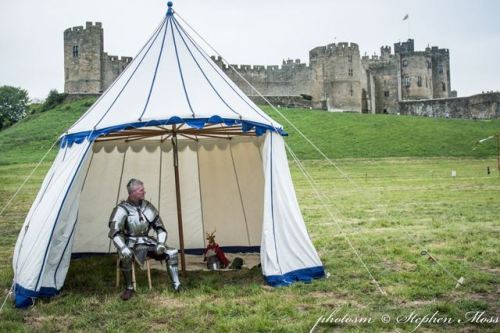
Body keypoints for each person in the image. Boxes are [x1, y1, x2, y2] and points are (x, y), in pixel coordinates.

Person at [108, 178, 181, 300]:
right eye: (141, 190)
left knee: (172, 252)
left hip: (147, 241)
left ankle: (177, 285)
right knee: (125, 256)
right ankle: (129, 288)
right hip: (130, 243)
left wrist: (161, 243)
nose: (144, 192)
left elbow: (160, 228)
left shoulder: (148, 206)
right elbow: (115, 233)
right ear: (133, 192)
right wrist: (123, 247)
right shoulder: (121, 209)